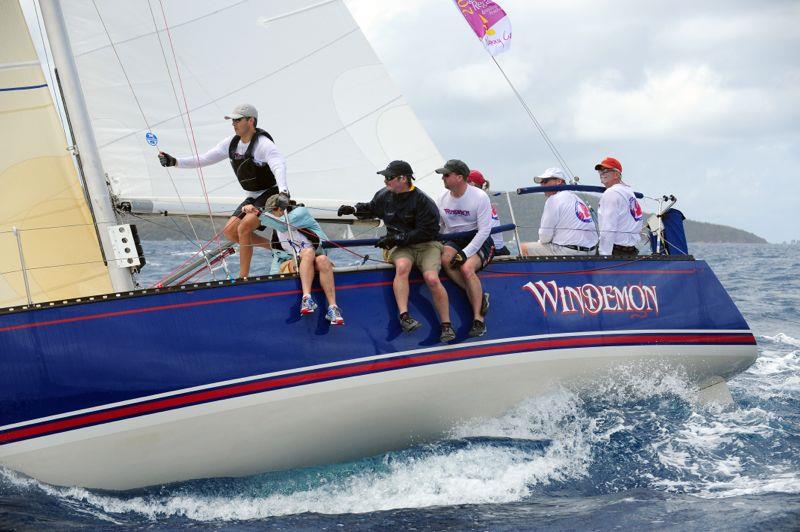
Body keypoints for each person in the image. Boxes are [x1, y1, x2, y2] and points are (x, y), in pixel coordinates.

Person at [157, 103, 289, 278]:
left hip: (272, 194)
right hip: (252, 196)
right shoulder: (231, 143)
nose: (233, 123)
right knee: (230, 231)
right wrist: (175, 162)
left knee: (244, 228)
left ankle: (244, 278)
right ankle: (278, 248)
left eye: (237, 120)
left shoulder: (263, 144)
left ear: (251, 121)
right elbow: (204, 159)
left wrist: (284, 193)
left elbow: (278, 165)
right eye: (232, 120)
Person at [337, 160, 455, 342]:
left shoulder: (423, 201)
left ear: (403, 178)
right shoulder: (384, 196)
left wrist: (396, 238)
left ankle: (446, 325)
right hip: (400, 247)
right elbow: (371, 208)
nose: (385, 181)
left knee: (432, 278)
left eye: (389, 178)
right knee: (402, 267)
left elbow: (428, 231)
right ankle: (404, 316)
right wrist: (352, 209)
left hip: (426, 244)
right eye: (385, 178)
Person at [259, 194, 344, 325]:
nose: (270, 215)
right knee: (308, 252)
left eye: (271, 211)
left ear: (280, 209)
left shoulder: (299, 213)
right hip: (291, 262)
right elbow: (277, 256)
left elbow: (284, 225)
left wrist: (257, 213)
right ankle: (307, 298)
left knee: (323, 260)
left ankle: (333, 308)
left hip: (312, 259)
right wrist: (273, 282)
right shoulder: (276, 228)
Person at [436, 159, 494, 338]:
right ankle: (477, 294)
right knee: (445, 260)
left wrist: (466, 253)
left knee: (467, 268)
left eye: (446, 175)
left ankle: (478, 319)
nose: (443, 178)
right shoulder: (442, 199)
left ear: (460, 177)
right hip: (455, 239)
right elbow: (438, 228)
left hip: (479, 238)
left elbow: (485, 230)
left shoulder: (479, 197)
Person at [520, 167, 599, 256]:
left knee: (523, 249)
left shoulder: (553, 200)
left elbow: (544, 237)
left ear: (558, 181)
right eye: (541, 182)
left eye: (545, 181)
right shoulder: (578, 199)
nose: (541, 186)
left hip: (568, 252)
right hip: (592, 251)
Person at [595, 157, 643, 256]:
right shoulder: (630, 193)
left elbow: (608, 227)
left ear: (616, 174)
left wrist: (604, 255)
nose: (602, 174)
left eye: (606, 170)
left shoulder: (611, 193)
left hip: (615, 251)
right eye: (600, 171)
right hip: (631, 252)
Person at [468, 170, 511, 256]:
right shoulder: (483, 200)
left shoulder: (475, 203)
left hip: (491, 249)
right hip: (500, 248)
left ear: (471, 184)